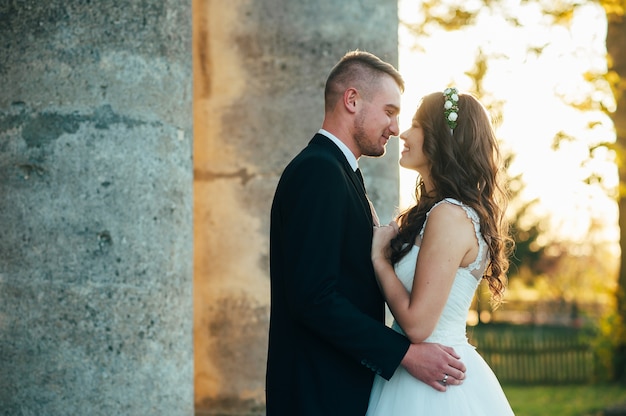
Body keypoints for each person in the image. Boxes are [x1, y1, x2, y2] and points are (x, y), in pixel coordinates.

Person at [266, 52, 467, 416]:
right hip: (317, 394)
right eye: (389, 111)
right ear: (352, 100)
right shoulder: (318, 172)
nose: (394, 127)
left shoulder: (342, 173)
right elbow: (314, 297)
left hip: (340, 389)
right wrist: (404, 354)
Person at [366, 88, 515, 415]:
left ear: (442, 140)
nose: (402, 132)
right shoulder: (438, 212)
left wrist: (380, 261)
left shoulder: (449, 215)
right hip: (416, 373)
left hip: (433, 385)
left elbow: (418, 326)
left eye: (416, 125)